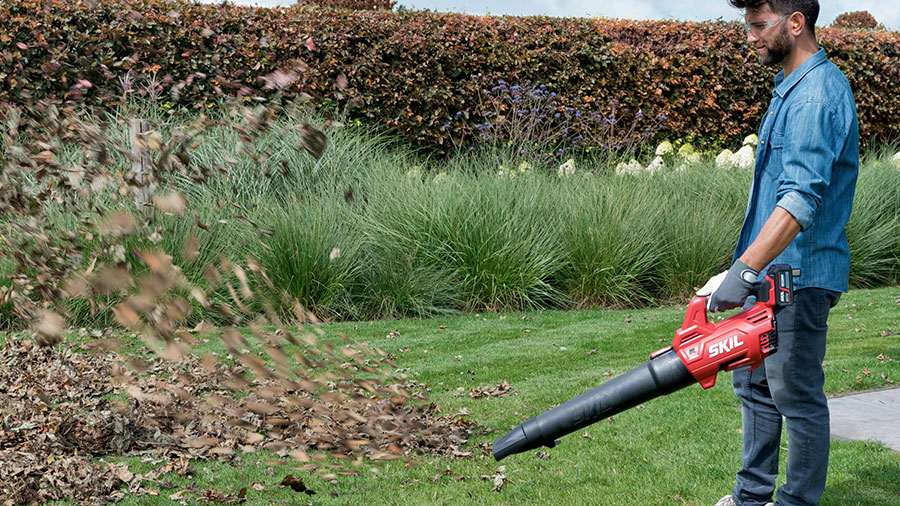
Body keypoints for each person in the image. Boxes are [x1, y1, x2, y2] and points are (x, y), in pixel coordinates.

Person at [696, 1, 859, 505]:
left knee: (794, 393)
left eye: (758, 25)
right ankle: (751, 497)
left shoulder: (815, 97)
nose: (750, 36)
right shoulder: (790, 88)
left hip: (800, 276)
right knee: (754, 386)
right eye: (746, 25)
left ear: (796, 22)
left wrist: (743, 270)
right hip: (771, 273)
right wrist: (745, 269)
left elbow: (799, 200)